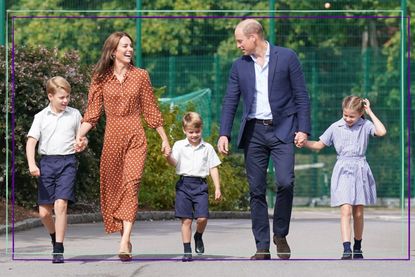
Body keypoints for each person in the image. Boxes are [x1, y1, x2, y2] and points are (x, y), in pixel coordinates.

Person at [217, 19, 311, 260]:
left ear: (253, 38)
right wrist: (224, 133)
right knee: (256, 190)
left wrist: (303, 129)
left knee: (285, 182)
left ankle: (280, 233)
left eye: (240, 40)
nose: (238, 45)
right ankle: (261, 245)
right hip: (254, 134)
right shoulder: (239, 66)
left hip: (283, 130)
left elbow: (301, 96)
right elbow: (230, 100)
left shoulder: (287, 57)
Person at [76, 31, 171, 262]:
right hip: (112, 139)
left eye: (131, 46)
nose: (130, 50)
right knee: (115, 189)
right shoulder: (100, 78)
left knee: (132, 184)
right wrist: (79, 136)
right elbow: (92, 113)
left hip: (136, 137)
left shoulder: (141, 76)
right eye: (125, 46)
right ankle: (125, 237)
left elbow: (150, 108)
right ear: (113, 51)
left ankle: (124, 240)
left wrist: (164, 138)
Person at [303, 96, 386, 259]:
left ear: (360, 113)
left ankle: (358, 245)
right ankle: (346, 247)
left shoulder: (366, 125)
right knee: (345, 209)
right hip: (342, 170)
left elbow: (382, 131)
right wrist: (303, 142)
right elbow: (319, 145)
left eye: (352, 116)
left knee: (359, 212)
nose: (348, 119)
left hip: (360, 168)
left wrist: (369, 112)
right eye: (345, 115)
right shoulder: (336, 126)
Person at [26, 76, 87, 263]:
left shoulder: (75, 114)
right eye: (61, 97)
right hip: (47, 164)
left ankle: (58, 249)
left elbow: (82, 138)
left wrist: (82, 143)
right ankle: (54, 237)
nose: (65, 100)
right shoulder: (41, 117)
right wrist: (32, 163)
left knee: (61, 204)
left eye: (67, 96)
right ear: (50, 96)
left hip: (67, 162)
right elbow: (31, 142)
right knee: (44, 212)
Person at [166, 112, 222, 262]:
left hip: (200, 185)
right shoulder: (179, 145)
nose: (194, 135)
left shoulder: (207, 148)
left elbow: (213, 168)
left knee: (202, 218)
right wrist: (167, 156)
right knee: (186, 220)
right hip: (184, 185)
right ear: (184, 130)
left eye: (197, 132)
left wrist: (217, 187)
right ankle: (187, 250)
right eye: (191, 132)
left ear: (201, 129)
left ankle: (198, 236)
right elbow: (174, 163)